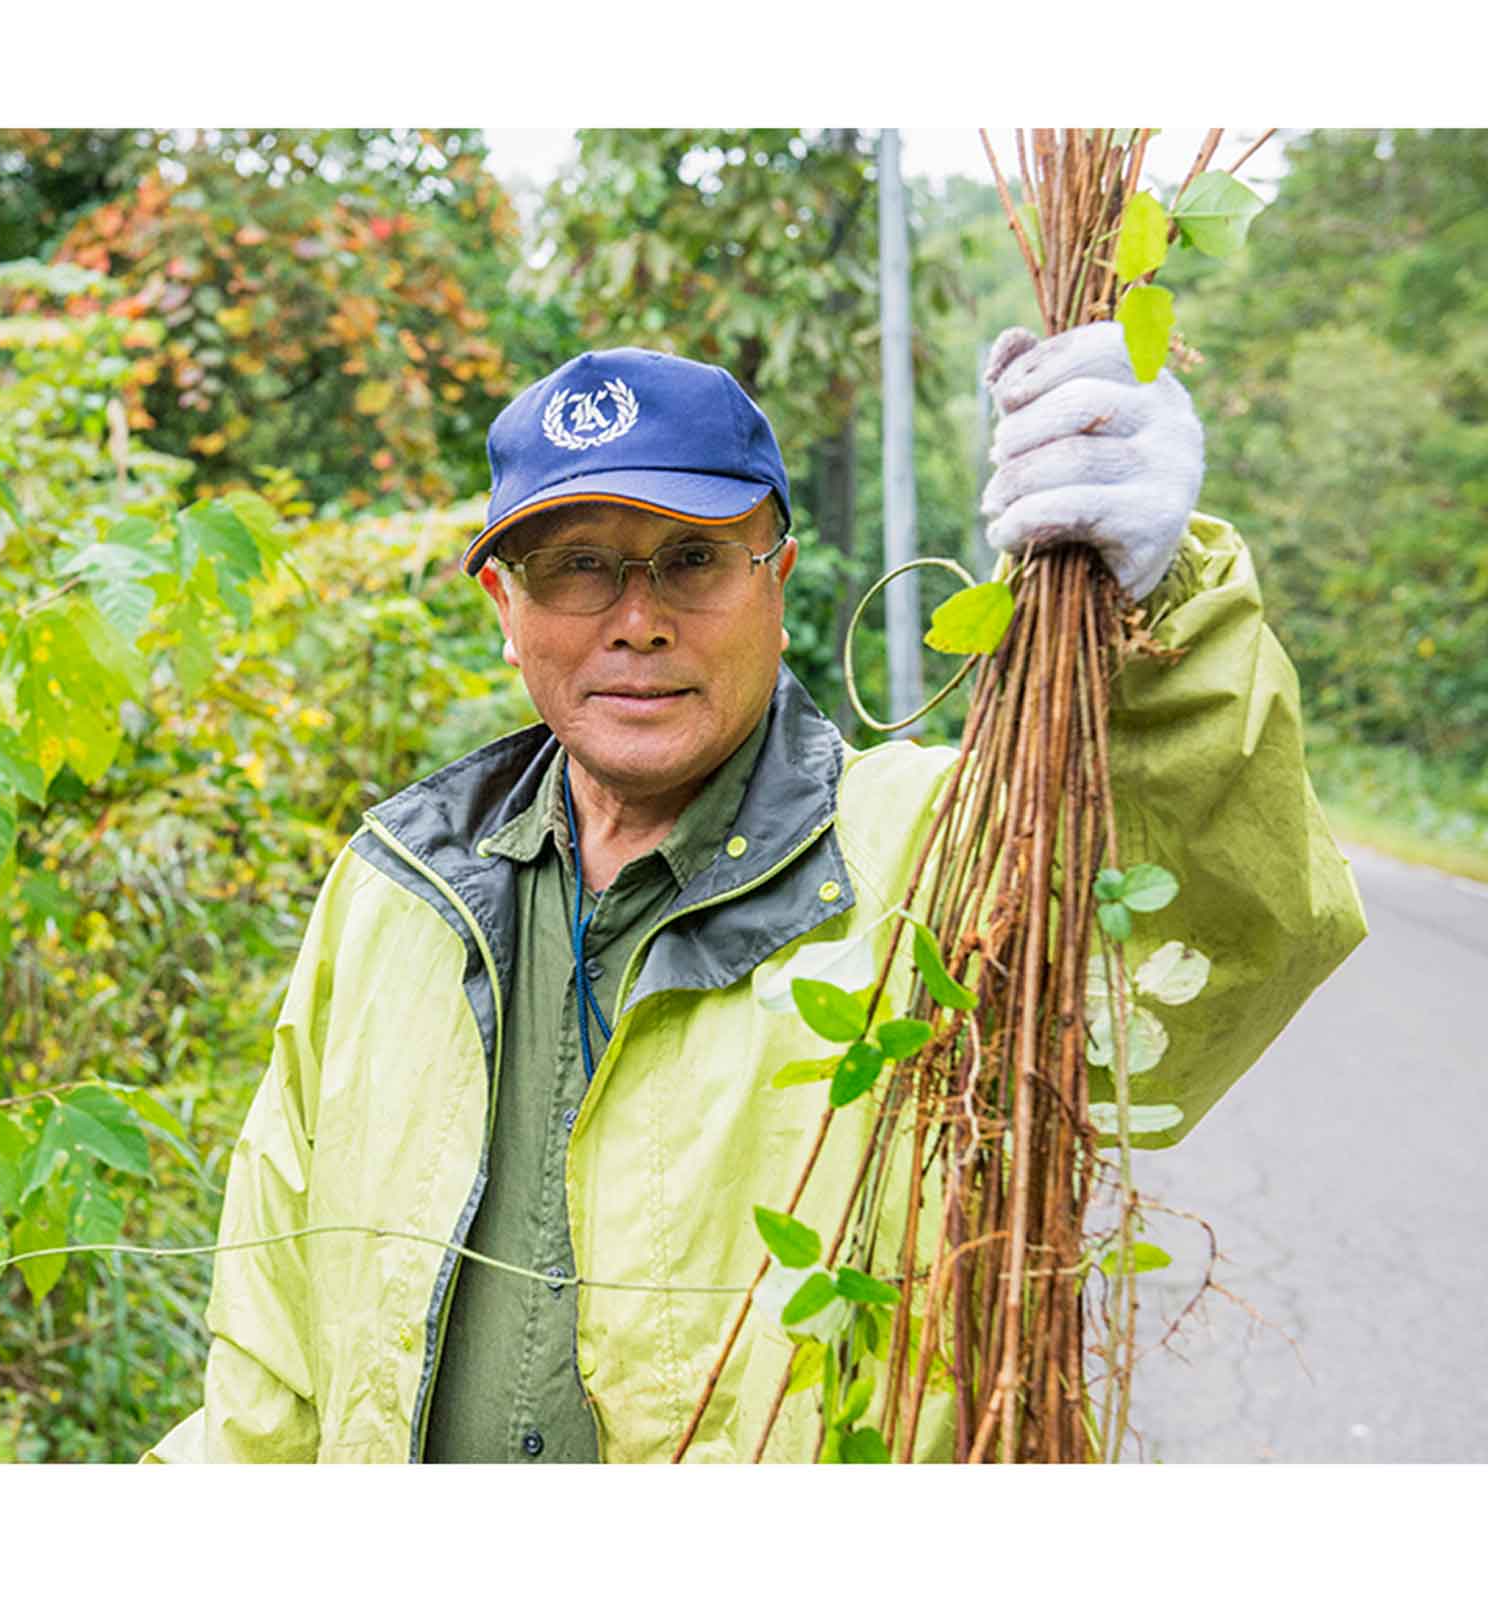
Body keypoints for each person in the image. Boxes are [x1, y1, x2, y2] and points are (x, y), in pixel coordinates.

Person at [146, 335, 1364, 1464]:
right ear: (504, 610)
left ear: (776, 581)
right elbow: (269, 1343)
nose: (637, 621)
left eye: (692, 559)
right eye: (577, 568)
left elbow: (1208, 937)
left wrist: (1161, 617)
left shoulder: (927, 851)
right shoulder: (395, 888)